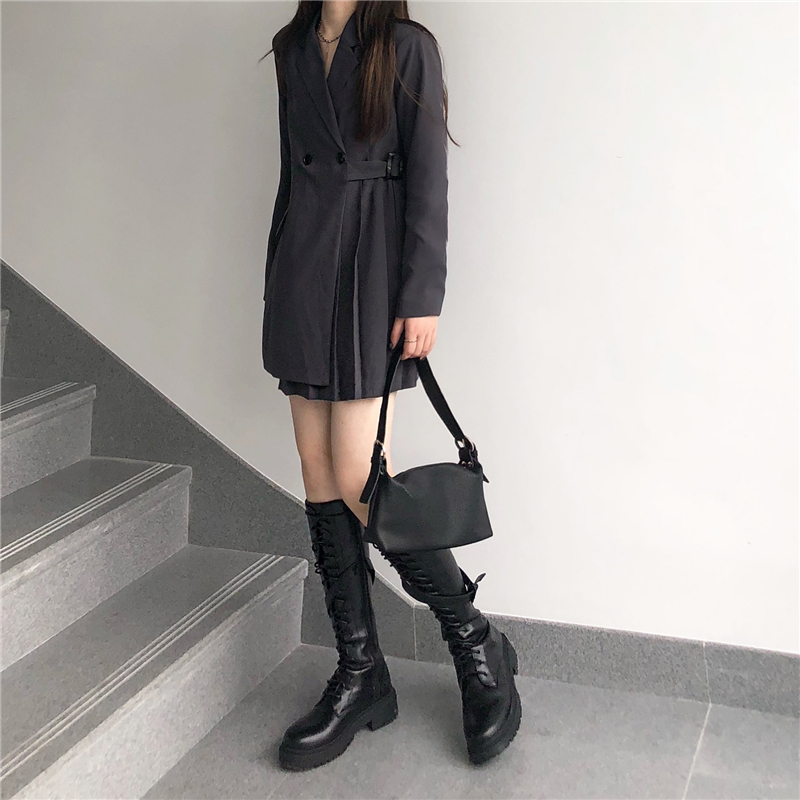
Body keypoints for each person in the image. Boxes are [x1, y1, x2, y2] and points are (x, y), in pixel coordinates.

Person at [259, 0, 521, 771]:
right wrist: (278, 284)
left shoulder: (406, 47)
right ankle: (361, 673)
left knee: (357, 474)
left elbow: (429, 177)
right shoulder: (291, 47)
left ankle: (474, 639)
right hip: (304, 270)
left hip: (372, 268)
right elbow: (289, 174)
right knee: (318, 472)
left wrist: (422, 293)